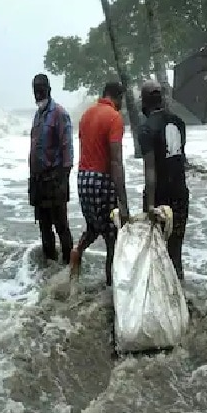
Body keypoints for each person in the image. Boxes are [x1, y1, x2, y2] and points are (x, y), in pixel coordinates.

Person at [70, 82, 130, 286]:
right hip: (101, 180)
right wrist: (123, 201)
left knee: (93, 227)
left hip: (82, 179)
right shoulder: (114, 117)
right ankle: (111, 287)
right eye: (121, 99)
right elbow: (115, 160)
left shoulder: (86, 115)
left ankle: (76, 254)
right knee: (113, 236)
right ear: (117, 97)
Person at [138, 79, 189, 282]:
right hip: (180, 194)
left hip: (159, 197)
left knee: (156, 253)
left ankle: (160, 303)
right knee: (175, 252)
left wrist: (150, 205)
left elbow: (151, 170)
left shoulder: (146, 129)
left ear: (144, 102)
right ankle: (180, 298)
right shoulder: (179, 123)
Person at [28, 73, 74, 264]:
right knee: (44, 226)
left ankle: (69, 267)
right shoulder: (38, 115)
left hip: (55, 179)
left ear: (48, 89)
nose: (38, 93)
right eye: (35, 90)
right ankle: (49, 267)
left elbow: (67, 150)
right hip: (38, 179)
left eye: (41, 89)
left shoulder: (60, 113)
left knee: (61, 225)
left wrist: (62, 180)